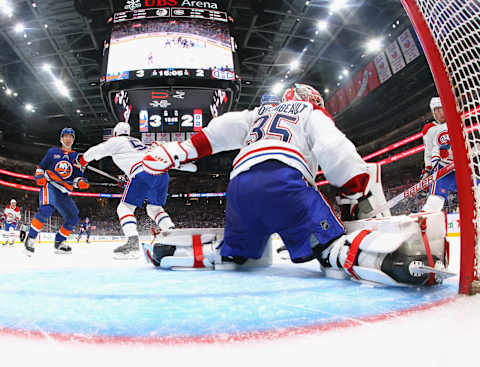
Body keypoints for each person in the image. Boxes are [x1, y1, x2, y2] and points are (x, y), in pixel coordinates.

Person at [140, 83, 445, 286]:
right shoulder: (310, 112)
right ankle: (398, 259)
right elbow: (334, 149)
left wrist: (177, 150)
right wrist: (353, 186)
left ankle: (171, 251)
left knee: (237, 255)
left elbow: (218, 131)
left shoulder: (257, 113)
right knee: (330, 249)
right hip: (284, 182)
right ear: (312, 100)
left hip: (239, 188)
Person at [77, 122, 174, 258]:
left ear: (115, 133)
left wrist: (81, 162)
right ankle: (172, 234)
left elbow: (96, 151)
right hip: (161, 173)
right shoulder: (138, 142)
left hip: (142, 172)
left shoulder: (117, 140)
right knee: (154, 208)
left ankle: (132, 244)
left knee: (124, 208)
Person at [24, 127, 89, 255]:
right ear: (61, 139)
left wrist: (81, 182)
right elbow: (41, 167)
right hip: (50, 185)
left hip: (63, 191)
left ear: (74, 139)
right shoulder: (52, 152)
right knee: (46, 209)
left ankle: (59, 242)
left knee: (73, 218)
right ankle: (30, 239)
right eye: (65, 136)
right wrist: (39, 175)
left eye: (71, 136)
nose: (68, 138)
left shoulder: (76, 156)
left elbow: (76, 177)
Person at [422, 97, 456, 204]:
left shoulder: (456, 121)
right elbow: (428, 151)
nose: (439, 113)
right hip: (442, 169)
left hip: (460, 167)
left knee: (477, 189)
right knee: (435, 201)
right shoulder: (430, 128)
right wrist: (427, 171)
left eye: (441, 109)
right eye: (436, 110)